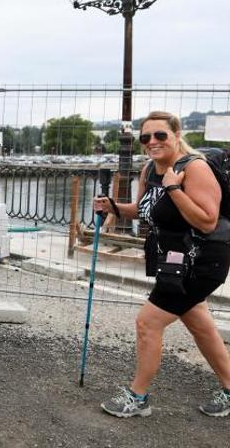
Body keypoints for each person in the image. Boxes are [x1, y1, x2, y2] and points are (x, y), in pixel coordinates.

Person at [93, 111, 230, 418]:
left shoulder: (195, 169)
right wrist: (112, 206)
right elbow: (146, 210)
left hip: (204, 261)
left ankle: (138, 397)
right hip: (176, 262)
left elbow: (207, 221)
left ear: (177, 135)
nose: (151, 142)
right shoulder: (149, 170)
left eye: (159, 136)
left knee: (148, 322)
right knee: (199, 324)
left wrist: (174, 189)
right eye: (145, 137)